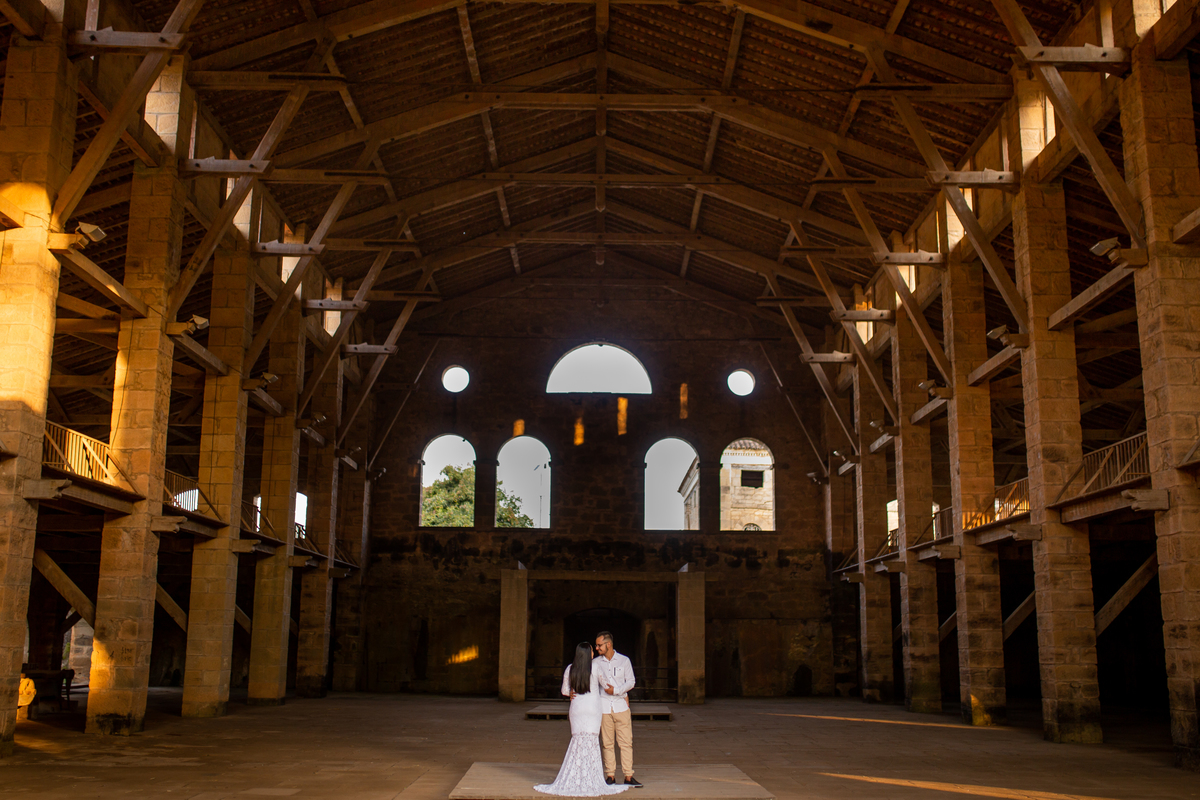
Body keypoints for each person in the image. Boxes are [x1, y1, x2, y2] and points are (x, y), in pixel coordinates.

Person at [534, 642, 631, 797]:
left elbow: (565, 690)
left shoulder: (570, 668)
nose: (593, 653)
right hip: (593, 709)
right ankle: (591, 776)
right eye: (592, 651)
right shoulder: (596, 668)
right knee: (592, 741)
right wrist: (623, 693)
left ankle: (576, 774)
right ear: (587, 654)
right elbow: (606, 685)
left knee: (578, 740)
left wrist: (572, 692)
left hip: (577, 708)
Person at [594, 631, 641, 788]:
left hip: (620, 705)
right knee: (607, 743)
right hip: (604, 707)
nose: (597, 648)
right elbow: (590, 683)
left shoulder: (624, 660)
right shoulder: (595, 663)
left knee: (626, 742)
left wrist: (617, 690)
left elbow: (631, 681)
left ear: (608, 644)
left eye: (599, 645)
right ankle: (610, 775)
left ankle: (628, 775)